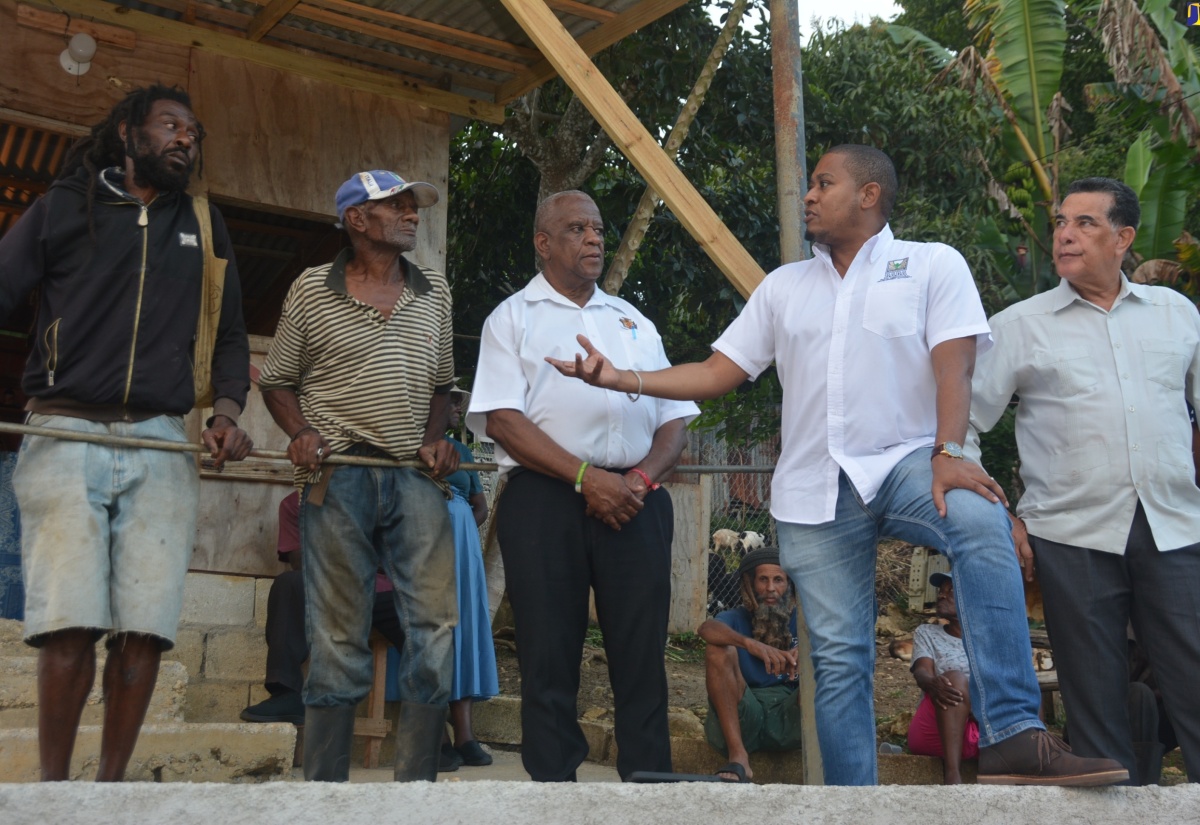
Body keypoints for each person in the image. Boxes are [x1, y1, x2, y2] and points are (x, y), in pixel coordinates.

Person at [547, 145, 1127, 786]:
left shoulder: (931, 264)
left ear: (870, 195)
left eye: (825, 183)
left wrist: (949, 453)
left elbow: (954, 364)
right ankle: (856, 804)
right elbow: (717, 372)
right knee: (841, 660)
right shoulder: (784, 287)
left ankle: (1015, 734)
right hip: (814, 489)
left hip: (909, 463)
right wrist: (619, 376)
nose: (810, 195)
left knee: (982, 522)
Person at [0, 85, 252, 781]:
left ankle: (109, 791)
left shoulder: (204, 223)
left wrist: (227, 413)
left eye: (193, 132)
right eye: (170, 125)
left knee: (145, 628)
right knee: (70, 623)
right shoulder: (62, 208)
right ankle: (55, 792)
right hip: (66, 431)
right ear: (126, 132)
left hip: (161, 438)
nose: (185, 139)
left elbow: (229, 335)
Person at [967, 176, 1200, 785]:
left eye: (1085, 223)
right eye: (1061, 223)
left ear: (1124, 237)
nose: (1066, 234)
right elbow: (959, 427)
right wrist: (1001, 514)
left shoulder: (1177, 314)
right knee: (1094, 698)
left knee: (1195, 676)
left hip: (1175, 526)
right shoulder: (1020, 324)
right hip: (1070, 534)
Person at [467, 190, 699, 782]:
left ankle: (648, 791)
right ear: (544, 243)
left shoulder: (632, 320)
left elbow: (675, 420)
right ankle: (554, 793)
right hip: (546, 498)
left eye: (598, 228)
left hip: (637, 499)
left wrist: (640, 479)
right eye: (577, 228)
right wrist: (583, 477)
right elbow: (502, 420)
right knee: (548, 653)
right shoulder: (512, 317)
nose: (594, 238)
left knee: (641, 655)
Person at [258, 170, 459, 783]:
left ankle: (416, 785)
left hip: (413, 476)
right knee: (337, 630)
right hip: (338, 472)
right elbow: (276, 381)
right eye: (394, 206)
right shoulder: (312, 289)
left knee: (434, 623)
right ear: (356, 220)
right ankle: (326, 792)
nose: (411, 214)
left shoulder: (436, 293)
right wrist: (300, 432)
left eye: (412, 206)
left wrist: (436, 439)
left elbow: (443, 388)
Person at [239, 491, 406, 726]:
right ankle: (286, 694)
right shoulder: (295, 503)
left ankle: (438, 735)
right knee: (289, 583)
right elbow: (301, 562)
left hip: (381, 590)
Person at [698, 547, 801, 783]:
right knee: (717, 648)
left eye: (779, 580)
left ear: (790, 585)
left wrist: (809, 653)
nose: (771, 589)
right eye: (762, 580)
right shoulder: (735, 618)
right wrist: (750, 644)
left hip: (789, 716)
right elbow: (706, 629)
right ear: (749, 584)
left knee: (824, 658)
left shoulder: (804, 621)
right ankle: (738, 756)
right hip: (745, 715)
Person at [438, 386, 498, 770]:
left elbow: (480, 505)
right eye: (450, 400)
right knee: (431, 629)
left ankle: (464, 735)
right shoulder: (404, 445)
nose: (458, 407)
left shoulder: (461, 452)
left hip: (462, 550)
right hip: (419, 544)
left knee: (463, 629)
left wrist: (460, 531)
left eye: (460, 401)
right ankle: (432, 733)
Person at [906, 573, 978, 785]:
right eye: (941, 592)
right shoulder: (927, 633)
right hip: (939, 728)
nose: (941, 596)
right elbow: (922, 671)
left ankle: (1035, 760)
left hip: (983, 728)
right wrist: (931, 683)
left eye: (950, 591)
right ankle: (953, 775)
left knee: (1028, 686)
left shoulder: (989, 638)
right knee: (954, 679)